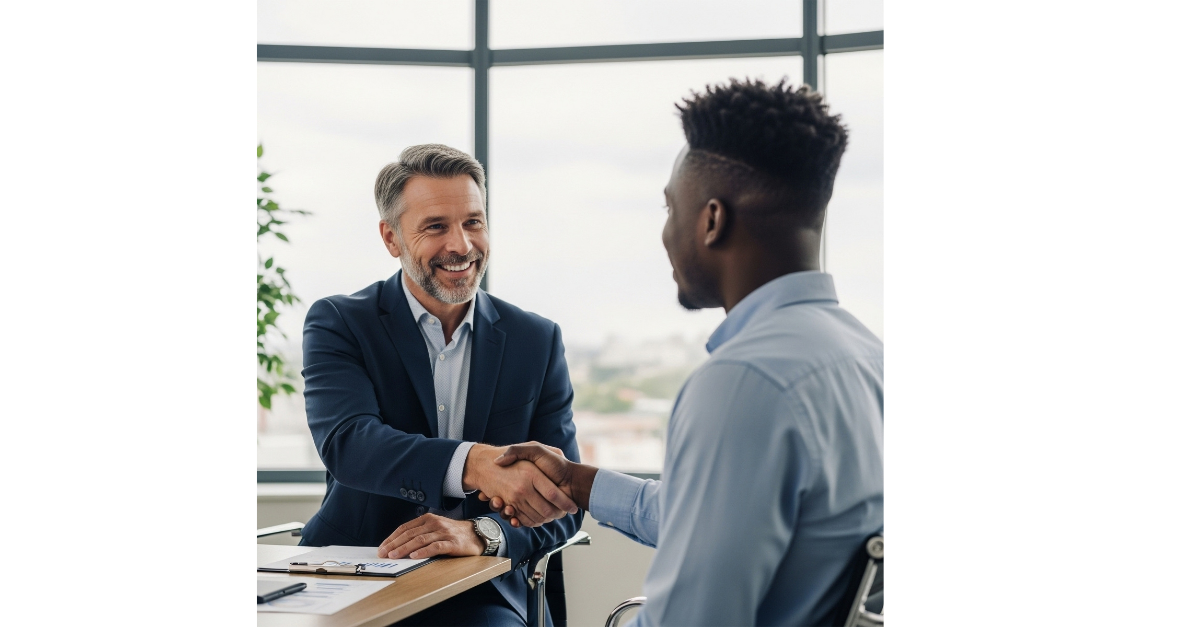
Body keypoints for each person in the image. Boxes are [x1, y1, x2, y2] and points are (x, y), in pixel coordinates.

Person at [482, 79, 884, 626]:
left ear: (712, 220)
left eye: (671, 210)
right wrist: (577, 482)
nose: (666, 234)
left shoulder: (744, 382)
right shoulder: (866, 356)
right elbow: (723, 519)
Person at [299, 144, 583, 626]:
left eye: (473, 222)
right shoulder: (339, 322)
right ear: (391, 238)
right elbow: (349, 444)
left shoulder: (535, 339)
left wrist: (482, 533)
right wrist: (475, 464)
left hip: (479, 586)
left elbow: (564, 500)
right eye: (436, 226)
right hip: (353, 571)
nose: (462, 246)